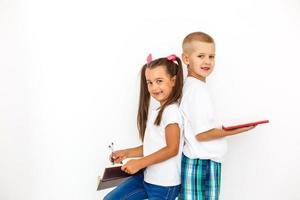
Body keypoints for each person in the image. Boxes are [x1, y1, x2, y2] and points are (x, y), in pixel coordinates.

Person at [179, 32, 255, 199]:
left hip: (204, 162)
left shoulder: (195, 87)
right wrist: (238, 130)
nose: (207, 61)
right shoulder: (197, 90)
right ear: (186, 59)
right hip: (201, 164)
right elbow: (202, 134)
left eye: (211, 56)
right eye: (201, 56)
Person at [104, 54, 184, 200]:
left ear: (173, 81)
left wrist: (140, 163)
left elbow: (172, 149)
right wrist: (127, 153)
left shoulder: (172, 112)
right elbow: (154, 146)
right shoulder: (158, 111)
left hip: (164, 185)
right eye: (149, 82)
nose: (154, 87)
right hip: (147, 178)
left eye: (159, 81)